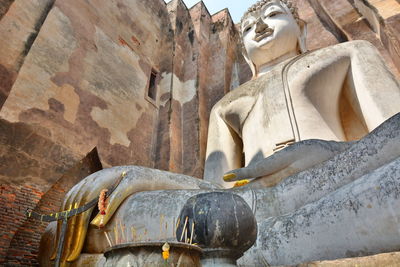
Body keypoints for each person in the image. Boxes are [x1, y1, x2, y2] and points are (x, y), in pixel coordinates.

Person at [39, 0, 400, 265]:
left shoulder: (346, 55)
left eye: (273, 14)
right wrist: (142, 177)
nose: (259, 27)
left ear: (302, 29)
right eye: (248, 27)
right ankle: (250, 249)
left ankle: (248, 251)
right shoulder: (228, 104)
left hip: (338, 180)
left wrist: (329, 154)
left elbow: (392, 133)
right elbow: (217, 190)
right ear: (243, 52)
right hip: (250, 207)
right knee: (73, 231)